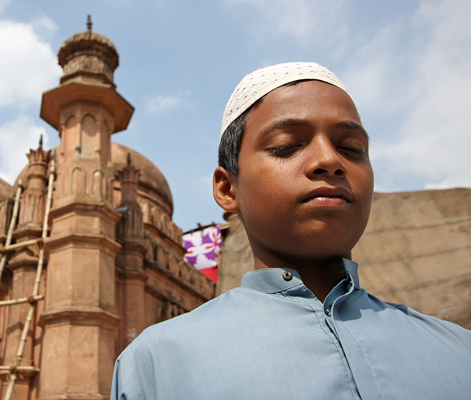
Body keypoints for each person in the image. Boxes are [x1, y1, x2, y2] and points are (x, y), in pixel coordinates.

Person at [110, 62, 471, 399]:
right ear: (227, 189)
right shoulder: (154, 366)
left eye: (351, 148)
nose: (330, 161)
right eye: (286, 146)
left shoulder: (459, 352)